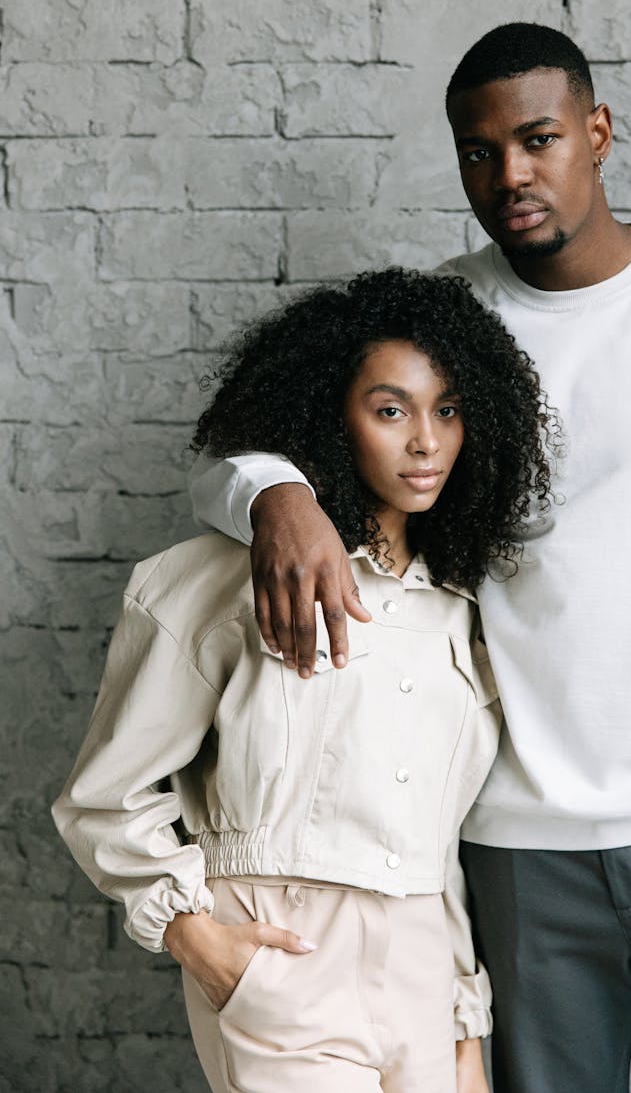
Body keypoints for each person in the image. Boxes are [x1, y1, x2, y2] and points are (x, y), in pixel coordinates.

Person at [190, 23, 631, 1093]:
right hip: (514, 848)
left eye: (539, 138)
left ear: (597, 132)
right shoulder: (445, 328)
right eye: (477, 152)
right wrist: (275, 491)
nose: (509, 174)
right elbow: (229, 453)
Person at [53, 266, 559, 1093]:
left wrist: (463, 1019)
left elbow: (432, 835)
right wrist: (195, 935)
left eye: (449, 410)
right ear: (333, 414)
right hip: (282, 953)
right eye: (390, 409)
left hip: (426, 977)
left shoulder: (463, 606)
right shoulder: (221, 579)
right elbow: (104, 794)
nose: (425, 441)